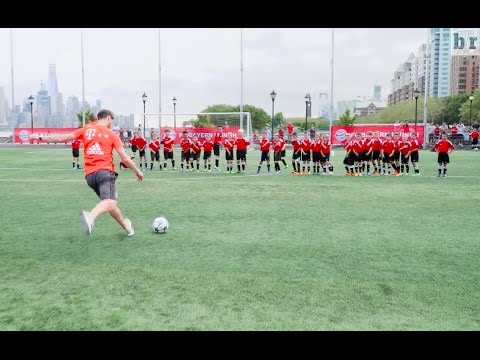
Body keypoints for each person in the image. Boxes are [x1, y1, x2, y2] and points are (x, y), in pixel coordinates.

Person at [29, 109, 143, 236]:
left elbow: (62, 137)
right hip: (105, 173)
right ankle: (91, 216)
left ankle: (127, 227)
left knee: (109, 203)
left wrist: (40, 137)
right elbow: (125, 158)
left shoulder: (86, 129)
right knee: (110, 202)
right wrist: (137, 170)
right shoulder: (111, 134)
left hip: (90, 177)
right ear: (108, 118)